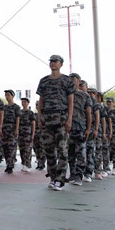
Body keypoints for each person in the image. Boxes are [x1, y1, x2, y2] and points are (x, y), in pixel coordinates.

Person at [36, 55, 75, 191]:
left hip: (61, 118)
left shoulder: (66, 80)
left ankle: (60, 179)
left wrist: (69, 118)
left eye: (55, 61)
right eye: (51, 61)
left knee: (63, 150)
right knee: (49, 151)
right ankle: (53, 178)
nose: (52, 63)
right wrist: (40, 118)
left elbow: (71, 101)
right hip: (47, 119)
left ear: (61, 64)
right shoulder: (44, 81)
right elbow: (41, 101)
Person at [67, 73, 92, 186]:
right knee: (70, 152)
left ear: (79, 81)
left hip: (80, 128)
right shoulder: (65, 94)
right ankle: (72, 174)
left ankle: (79, 175)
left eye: (73, 79)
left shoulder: (85, 96)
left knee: (81, 153)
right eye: (70, 79)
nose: (71, 81)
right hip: (68, 128)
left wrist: (88, 128)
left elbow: (88, 113)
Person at [2, 90, 20, 174]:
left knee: (11, 148)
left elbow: (18, 118)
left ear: (12, 96)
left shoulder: (16, 107)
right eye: (6, 95)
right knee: (5, 148)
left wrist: (16, 129)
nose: (7, 97)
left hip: (12, 129)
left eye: (8, 95)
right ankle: (7, 164)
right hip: (4, 129)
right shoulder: (4, 107)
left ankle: (10, 165)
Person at [87, 88, 104, 180]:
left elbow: (102, 120)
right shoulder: (85, 102)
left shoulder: (98, 106)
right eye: (89, 93)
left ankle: (97, 171)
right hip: (87, 130)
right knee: (88, 152)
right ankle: (87, 172)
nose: (90, 95)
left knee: (98, 151)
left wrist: (98, 130)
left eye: (92, 93)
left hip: (97, 130)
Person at [18, 97, 36, 172]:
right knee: (22, 149)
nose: (23, 103)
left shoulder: (30, 112)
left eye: (25, 102)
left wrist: (33, 134)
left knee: (28, 150)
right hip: (20, 134)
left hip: (28, 134)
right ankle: (24, 164)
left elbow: (33, 124)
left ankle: (28, 165)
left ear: (28, 103)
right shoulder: (19, 112)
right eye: (22, 102)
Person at [33, 102, 46, 171]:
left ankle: (42, 164)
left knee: (41, 149)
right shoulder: (35, 115)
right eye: (36, 105)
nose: (37, 106)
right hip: (35, 135)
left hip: (42, 134)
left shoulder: (44, 115)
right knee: (36, 149)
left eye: (38, 105)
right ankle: (38, 162)